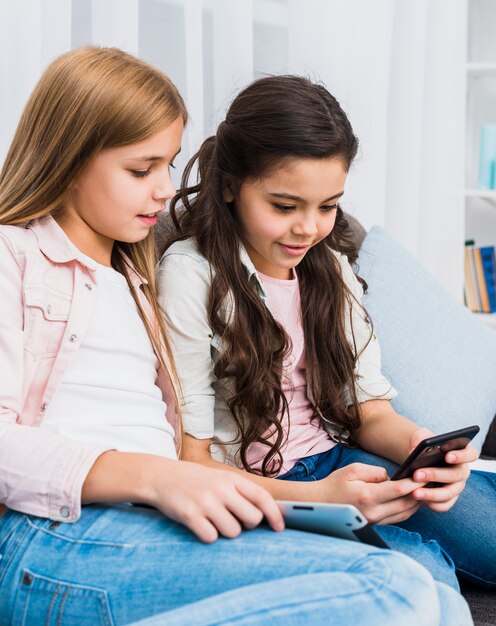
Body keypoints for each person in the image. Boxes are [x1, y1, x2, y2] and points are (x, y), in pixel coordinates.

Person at [0, 46, 465, 626]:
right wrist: (159, 475)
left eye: (168, 166)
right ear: (67, 158)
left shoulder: (135, 281)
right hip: (55, 532)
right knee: (392, 587)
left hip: (172, 518)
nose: (165, 190)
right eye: (141, 169)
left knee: (432, 596)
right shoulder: (14, 255)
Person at [157, 74, 495, 596]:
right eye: (284, 207)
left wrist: (420, 448)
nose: (308, 230)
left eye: (328, 205)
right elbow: (191, 460)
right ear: (230, 185)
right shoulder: (190, 275)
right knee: (423, 585)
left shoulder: (330, 268)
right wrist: (323, 498)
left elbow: (366, 409)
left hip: (343, 461)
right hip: (262, 489)